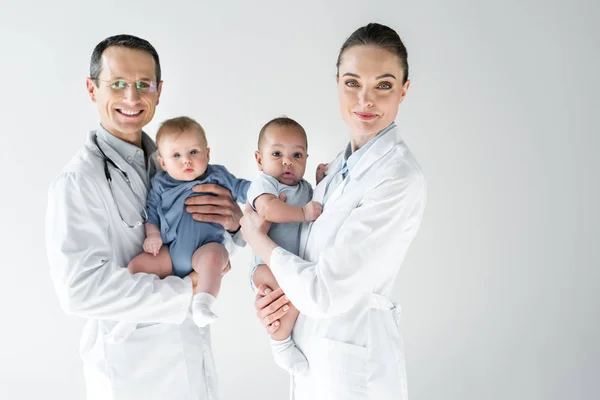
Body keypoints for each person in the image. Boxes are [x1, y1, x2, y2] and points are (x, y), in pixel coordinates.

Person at [45, 34, 243, 400]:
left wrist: (234, 225)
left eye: (143, 85)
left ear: (159, 91)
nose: (132, 98)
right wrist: (187, 291)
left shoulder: (176, 164)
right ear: (92, 89)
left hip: (190, 357)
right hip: (131, 374)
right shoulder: (78, 181)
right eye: (117, 84)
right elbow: (79, 290)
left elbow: (201, 238)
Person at [241, 22, 426, 399]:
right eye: (353, 83)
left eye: (384, 85)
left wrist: (257, 242)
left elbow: (323, 292)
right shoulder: (334, 171)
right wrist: (275, 304)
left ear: (404, 90)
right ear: (338, 83)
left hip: (353, 374)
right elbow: (305, 261)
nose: (365, 100)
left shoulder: (397, 177)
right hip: (316, 357)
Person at [247, 116, 323, 374]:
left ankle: (285, 337)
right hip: (264, 265)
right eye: (277, 153)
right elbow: (269, 209)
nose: (287, 161)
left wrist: (322, 182)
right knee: (289, 291)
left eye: (297, 155)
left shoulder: (305, 188)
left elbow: (319, 212)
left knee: (293, 295)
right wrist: (303, 213)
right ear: (260, 160)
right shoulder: (265, 184)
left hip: (292, 264)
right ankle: (280, 344)